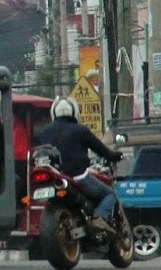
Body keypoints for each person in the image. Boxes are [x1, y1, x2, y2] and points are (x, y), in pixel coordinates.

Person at [38, 96, 124, 232]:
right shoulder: (80, 130)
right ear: (74, 112)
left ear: (54, 113)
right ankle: (99, 218)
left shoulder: (44, 132)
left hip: (54, 176)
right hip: (77, 176)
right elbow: (102, 150)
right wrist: (116, 156)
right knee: (110, 194)